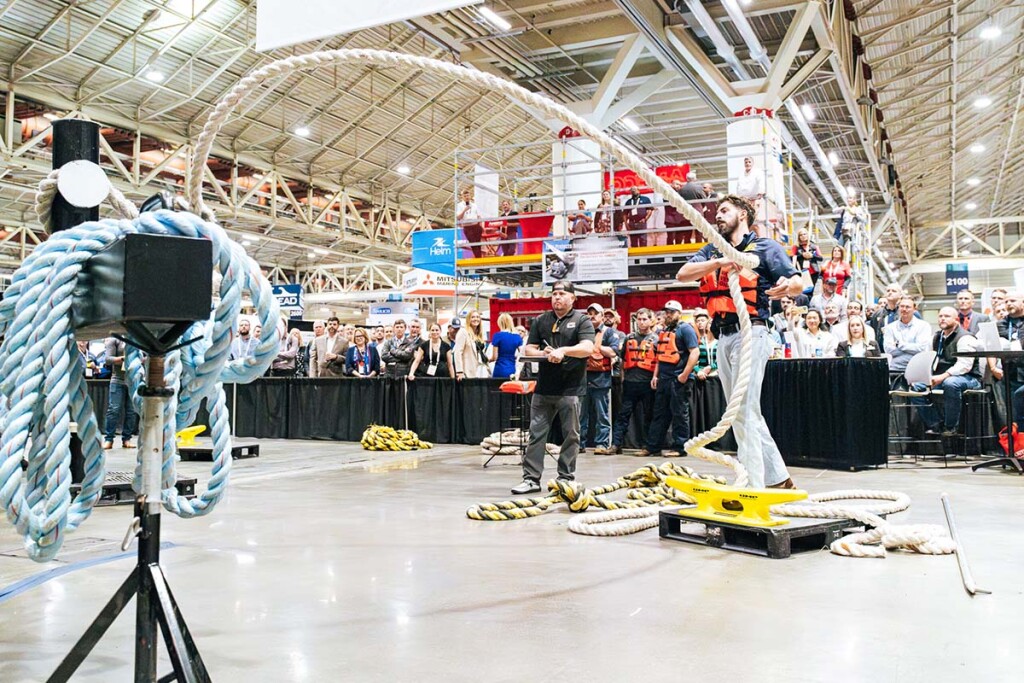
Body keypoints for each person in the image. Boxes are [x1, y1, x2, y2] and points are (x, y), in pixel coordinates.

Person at [675, 194, 804, 489]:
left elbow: (797, 282)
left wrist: (789, 286)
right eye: (717, 211)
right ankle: (779, 479)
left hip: (752, 333)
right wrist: (721, 261)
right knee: (741, 413)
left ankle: (754, 482)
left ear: (743, 214)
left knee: (744, 410)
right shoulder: (712, 250)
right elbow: (683, 274)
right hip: (723, 337)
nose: (717, 216)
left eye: (724, 210)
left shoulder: (765, 247)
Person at [512, 280, 596, 494]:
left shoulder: (582, 320)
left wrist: (563, 351)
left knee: (571, 436)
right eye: (554, 293)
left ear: (572, 298)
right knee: (536, 434)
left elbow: (587, 348)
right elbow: (529, 348)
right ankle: (531, 479)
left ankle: (565, 478)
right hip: (543, 389)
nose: (557, 297)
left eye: (562, 293)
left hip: (571, 389)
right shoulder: (542, 320)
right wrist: (544, 353)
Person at [637, 301, 699, 457]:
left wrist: (684, 375)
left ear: (679, 313)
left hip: (678, 379)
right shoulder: (664, 331)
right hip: (664, 379)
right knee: (659, 414)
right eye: (667, 312)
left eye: (672, 312)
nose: (668, 315)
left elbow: (695, 352)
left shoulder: (685, 329)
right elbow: (660, 355)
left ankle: (680, 448)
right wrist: (655, 375)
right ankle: (653, 447)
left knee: (679, 414)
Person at [910, 307, 983, 436]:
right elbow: (928, 358)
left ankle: (951, 428)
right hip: (942, 377)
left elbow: (965, 365)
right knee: (916, 387)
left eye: (947, 316)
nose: (943, 318)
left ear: (956, 319)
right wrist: (927, 376)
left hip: (969, 377)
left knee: (951, 383)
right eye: (940, 316)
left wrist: (942, 377)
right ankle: (936, 424)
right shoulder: (936, 337)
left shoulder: (965, 337)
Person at [609, 307, 658, 453]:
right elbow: (623, 359)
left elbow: (659, 361)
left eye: (644, 319)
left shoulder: (656, 339)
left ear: (651, 320)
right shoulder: (629, 338)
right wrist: (623, 378)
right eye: (639, 319)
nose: (641, 322)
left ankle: (647, 446)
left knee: (649, 415)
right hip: (630, 383)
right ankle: (616, 445)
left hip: (647, 383)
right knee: (623, 415)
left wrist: (655, 378)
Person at [581, 303, 620, 454]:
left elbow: (614, 352)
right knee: (581, 415)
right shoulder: (583, 331)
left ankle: (602, 444)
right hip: (583, 378)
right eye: (589, 314)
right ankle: (579, 444)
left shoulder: (609, 333)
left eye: (595, 314)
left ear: (602, 316)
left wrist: (596, 347)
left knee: (602, 414)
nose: (592, 316)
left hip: (601, 379)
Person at [882, 297, 932, 384]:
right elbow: (888, 350)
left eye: (908, 307)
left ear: (914, 309)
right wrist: (912, 348)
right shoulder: (890, 328)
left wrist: (899, 344)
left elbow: (922, 349)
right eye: (902, 306)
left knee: (917, 391)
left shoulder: (924, 326)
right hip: (895, 369)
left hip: (917, 368)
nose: (904, 309)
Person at [102, 336, 138, 449]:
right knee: (114, 410)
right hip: (117, 380)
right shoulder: (115, 339)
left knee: (131, 411)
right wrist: (124, 359)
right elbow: (108, 359)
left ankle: (127, 438)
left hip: (133, 380)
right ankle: (109, 439)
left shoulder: (137, 337)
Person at [453, 311, 488, 380]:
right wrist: (459, 371)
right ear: (468, 319)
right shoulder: (463, 332)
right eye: (473, 317)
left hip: (481, 369)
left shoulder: (479, 334)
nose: (475, 319)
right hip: (467, 370)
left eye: (477, 317)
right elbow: (458, 352)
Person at [489, 313, 522, 379]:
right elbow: (522, 353)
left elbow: (494, 357)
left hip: (499, 368)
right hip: (512, 368)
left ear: (500, 323)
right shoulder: (517, 337)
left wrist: (487, 360)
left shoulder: (497, 336)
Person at [456, 187, 483, 258]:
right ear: (462, 197)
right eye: (465, 196)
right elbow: (458, 217)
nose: (467, 197)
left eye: (468, 195)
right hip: (467, 227)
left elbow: (479, 216)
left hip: (476, 225)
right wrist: (464, 210)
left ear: (470, 196)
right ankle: (478, 258)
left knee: (478, 243)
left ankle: (479, 258)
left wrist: (481, 226)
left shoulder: (474, 205)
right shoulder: (459, 205)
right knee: (473, 243)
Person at [693, 311, 717, 379]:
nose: (713, 325)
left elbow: (723, 360)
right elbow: (692, 359)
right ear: (706, 326)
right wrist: (698, 371)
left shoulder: (720, 342)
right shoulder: (699, 341)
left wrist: (711, 367)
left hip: (716, 376)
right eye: (710, 323)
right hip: (699, 375)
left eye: (715, 323)